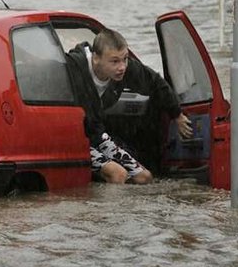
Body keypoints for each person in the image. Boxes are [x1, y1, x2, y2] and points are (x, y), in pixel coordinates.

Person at [65, 28, 193, 184]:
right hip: (73, 138)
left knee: (144, 177)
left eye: (124, 59)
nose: (122, 67)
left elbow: (156, 82)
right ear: (96, 58)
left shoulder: (127, 70)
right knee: (118, 174)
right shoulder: (72, 67)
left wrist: (177, 114)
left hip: (98, 137)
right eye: (114, 61)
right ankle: (108, 208)